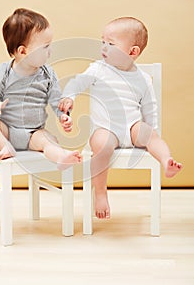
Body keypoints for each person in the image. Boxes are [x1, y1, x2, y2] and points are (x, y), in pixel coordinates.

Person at [59, 17, 182, 218]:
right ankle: (100, 193)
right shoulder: (98, 69)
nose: (104, 47)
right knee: (103, 145)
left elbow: (150, 108)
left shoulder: (142, 78)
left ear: (132, 52)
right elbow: (77, 83)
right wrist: (69, 96)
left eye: (111, 44)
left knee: (149, 133)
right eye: (103, 42)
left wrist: (152, 131)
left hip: (131, 127)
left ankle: (166, 160)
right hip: (105, 128)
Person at [0, 8, 82, 169]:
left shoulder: (47, 74)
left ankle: (62, 157)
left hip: (34, 133)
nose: (50, 52)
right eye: (45, 47)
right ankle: (5, 146)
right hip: (7, 130)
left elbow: (56, 100)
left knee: (48, 142)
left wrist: (63, 115)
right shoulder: (4, 71)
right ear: (23, 51)